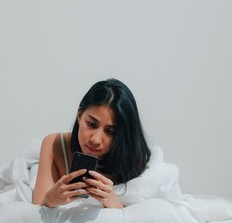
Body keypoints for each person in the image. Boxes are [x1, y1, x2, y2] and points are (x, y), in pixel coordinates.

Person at [32, 78, 151, 209]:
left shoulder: (134, 159)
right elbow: (35, 218)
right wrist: (50, 200)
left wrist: (111, 201)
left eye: (110, 131)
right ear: (80, 115)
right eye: (91, 124)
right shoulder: (55, 145)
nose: (95, 139)